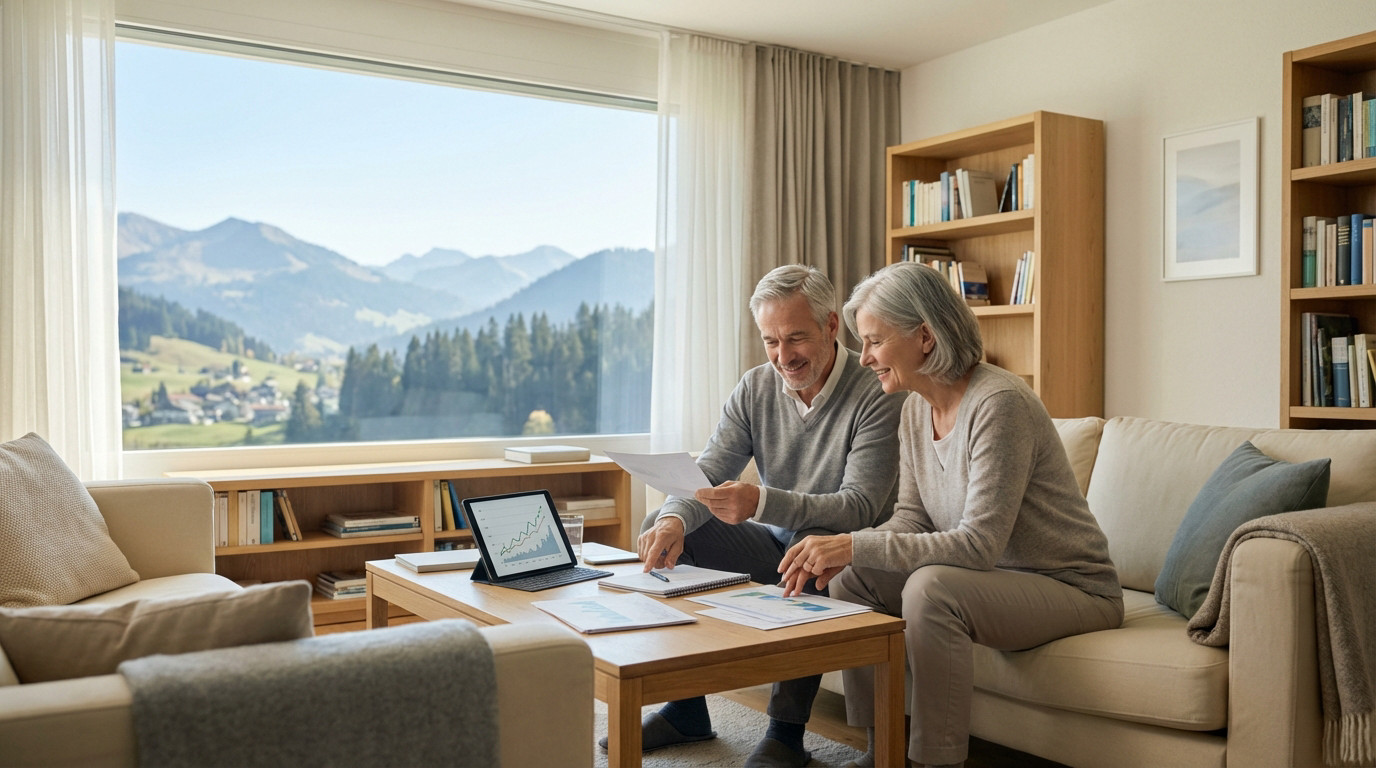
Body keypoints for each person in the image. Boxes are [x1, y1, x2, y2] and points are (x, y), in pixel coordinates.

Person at [778, 261, 1123, 768]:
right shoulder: (915, 409)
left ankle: (934, 762)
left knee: (930, 588)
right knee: (854, 577)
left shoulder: (999, 403)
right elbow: (912, 518)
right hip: (993, 579)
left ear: (924, 336)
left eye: (875, 341)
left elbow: (978, 545)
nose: (865, 357)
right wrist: (853, 552)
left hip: (1070, 586)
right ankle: (882, 752)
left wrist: (851, 541)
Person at [625, 264, 907, 768]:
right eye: (771, 341)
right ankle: (686, 707)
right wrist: (673, 517)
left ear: (831, 326)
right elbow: (708, 471)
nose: (783, 356)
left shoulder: (877, 391)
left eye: (796, 338)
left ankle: (785, 734)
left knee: (812, 543)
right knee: (663, 527)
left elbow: (859, 505)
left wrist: (760, 502)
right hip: (771, 543)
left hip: (842, 550)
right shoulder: (756, 386)